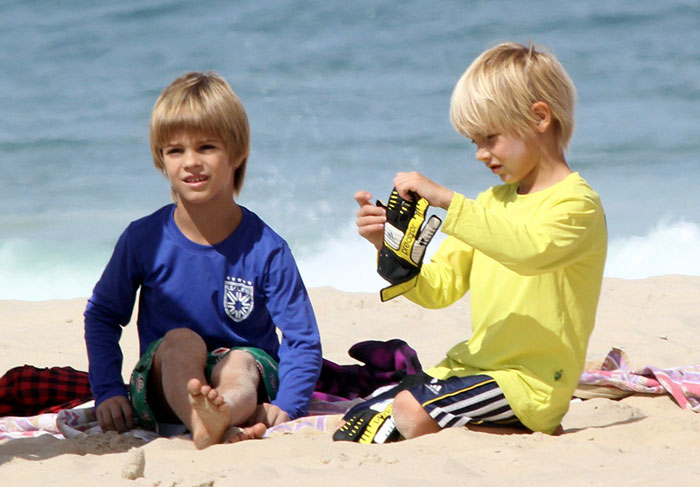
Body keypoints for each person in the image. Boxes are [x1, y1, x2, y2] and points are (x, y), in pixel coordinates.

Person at [342, 42, 607, 442]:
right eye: (474, 142)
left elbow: (528, 251)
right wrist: (388, 246)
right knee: (359, 419)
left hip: (529, 384)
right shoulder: (489, 204)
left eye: (490, 138)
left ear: (539, 117)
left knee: (409, 414)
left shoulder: (577, 204)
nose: (481, 154)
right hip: (471, 368)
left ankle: (526, 424)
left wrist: (448, 200)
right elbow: (440, 290)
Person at [84, 72, 322, 449]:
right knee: (180, 341)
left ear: (237, 151)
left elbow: (301, 338)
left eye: (206, 147)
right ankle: (202, 420)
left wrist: (287, 406)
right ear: (161, 159)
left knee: (240, 361)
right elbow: (102, 314)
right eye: (175, 150)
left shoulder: (267, 248)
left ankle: (218, 413)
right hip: (165, 386)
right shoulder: (143, 238)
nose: (190, 162)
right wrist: (109, 389)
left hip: (247, 384)